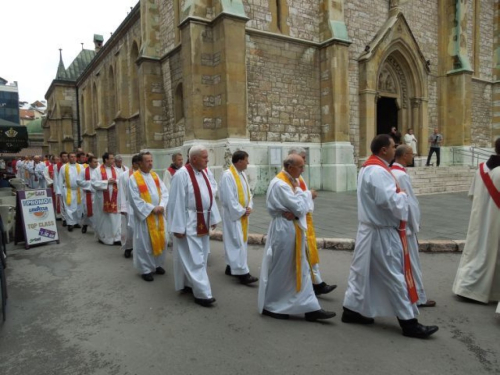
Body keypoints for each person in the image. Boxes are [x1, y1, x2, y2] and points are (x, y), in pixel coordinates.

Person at [342, 134, 438, 339]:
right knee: (395, 275)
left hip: (369, 230)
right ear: (384, 150)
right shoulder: (378, 171)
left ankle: (351, 310)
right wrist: (403, 195)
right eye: (394, 147)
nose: (397, 149)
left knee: (361, 273)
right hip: (381, 232)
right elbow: (388, 201)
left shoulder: (368, 168)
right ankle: (409, 323)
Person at [258, 154, 336, 322]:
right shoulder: (280, 184)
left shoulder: (291, 181)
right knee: (283, 268)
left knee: (301, 267)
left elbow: (298, 208)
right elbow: (300, 208)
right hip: (284, 229)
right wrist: (308, 194)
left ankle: (310, 307)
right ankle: (273, 305)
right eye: (300, 166)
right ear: (289, 166)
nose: (303, 169)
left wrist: (300, 199)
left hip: (293, 227)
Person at [167, 144, 221, 307]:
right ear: (195, 158)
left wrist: (212, 217)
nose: (208, 160)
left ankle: (189, 284)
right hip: (188, 221)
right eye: (205, 157)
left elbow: (208, 196)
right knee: (195, 258)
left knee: (201, 255)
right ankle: (202, 293)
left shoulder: (203, 172)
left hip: (202, 219)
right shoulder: (181, 175)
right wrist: (177, 227)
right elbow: (176, 201)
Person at [452, 138, 500, 304]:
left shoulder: (480, 169)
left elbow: (472, 195)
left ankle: (466, 286)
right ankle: (484, 291)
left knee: (477, 251)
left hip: (479, 218)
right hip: (495, 220)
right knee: (491, 253)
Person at [288, 147, 337, 296]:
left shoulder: (298, 177)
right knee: (305, 253)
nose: (305, 161)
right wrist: (310, 194)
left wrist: (308, 195)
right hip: (298, 221)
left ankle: (315, 282)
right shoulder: (289, 178)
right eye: (302, 158)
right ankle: (315, 284)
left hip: (305, 218)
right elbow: (294, 198)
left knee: (309, 252)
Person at [391, 145, 436, 308]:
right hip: (406, 227)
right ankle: (417, 295)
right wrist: (414, 223)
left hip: (399, 224)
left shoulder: (393, 171)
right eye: (412, 154)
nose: (413, 157)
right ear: (404, 156)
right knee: (412, 263)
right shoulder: (401, 175)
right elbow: (409, 202)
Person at [128, 152, 169, 281]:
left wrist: (162, 205)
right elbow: (134, 199)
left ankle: (157, 264)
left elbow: (164, 192)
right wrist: (152, 208)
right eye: (147, 161)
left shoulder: (155, 176)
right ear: (140, 163)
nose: (151, 163)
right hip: (146, 217)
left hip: (159, 216)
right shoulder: (134, 179)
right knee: (145, 243)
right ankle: (145, 269)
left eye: (151, 160)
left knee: (162, 239)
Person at [219, 150, 258, 285]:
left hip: (242, 214)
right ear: (240, 161)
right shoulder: (228, 176)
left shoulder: (242, 175)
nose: (248, 163)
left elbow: (248, 193)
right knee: (236, 242)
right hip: (233, 215)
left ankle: (231, 266)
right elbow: (229, 198)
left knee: (239, 241)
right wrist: (241, 211)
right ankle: (242, 273)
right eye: (246, 160)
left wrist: (249, 206)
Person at [91, 152, 121, 245]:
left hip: (115, 197)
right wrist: (107, 182)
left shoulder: (116, 170)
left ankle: (116, 237)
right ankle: (103, 236)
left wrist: (115, 181)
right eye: (111, 158)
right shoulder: (97, 170)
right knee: (103, 218)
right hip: (102, 198)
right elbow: (94, 183)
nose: (113, 160)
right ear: (106, 160)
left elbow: (121, 181)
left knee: (116, 217)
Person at [119, 154, 140, 258]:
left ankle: (139, 249)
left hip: (141, 206)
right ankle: (128, 247)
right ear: (134, 164)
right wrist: (123, 207)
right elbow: (121, 192)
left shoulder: (143, 174)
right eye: (138, 163)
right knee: (129, 228)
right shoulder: (124, 175)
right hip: (129, 205)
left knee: (140, 229)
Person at [58, 152, 84, 232]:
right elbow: (60, 180)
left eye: (74, 157)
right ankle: (70, 223)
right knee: (69, 207)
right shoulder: (64, 167)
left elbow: (83, 178)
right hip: (68, 190)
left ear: (76, 158)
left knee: (78, 207)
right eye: (71, 157)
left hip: (79, 190)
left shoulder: (81, 167)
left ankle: (76, 222)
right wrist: (60, 191)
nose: (73, 158)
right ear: (69, 158)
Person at [77, 156, 99, 234]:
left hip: (97, 194)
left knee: (97, 212)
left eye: (97, 162)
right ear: (89, 163)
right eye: (94, 162)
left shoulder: (99, 170)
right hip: (88, 195)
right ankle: (85, 224)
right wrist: (91, 183)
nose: (97, 163)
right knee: (87, 212)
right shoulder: (83, 171)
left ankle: (97, 227)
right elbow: (79, 181)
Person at [54, 152, 69, 224]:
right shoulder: (57, 166)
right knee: (62, 203)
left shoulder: (71, 165)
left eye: (66, 156)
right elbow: (56, 178)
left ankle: (70, 218)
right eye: (63, 156)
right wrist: (57, 189)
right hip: (61, 186)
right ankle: (64, 218)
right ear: (61, 157)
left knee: (69, 203)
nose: (65, 158)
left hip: (69, 186)